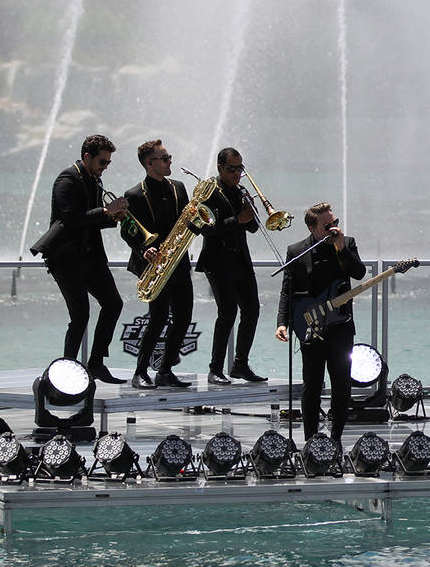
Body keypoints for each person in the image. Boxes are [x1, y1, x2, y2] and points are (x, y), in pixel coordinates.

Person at [33, 134, 128, 384]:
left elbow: (94, 220)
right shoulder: (67, 179)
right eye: (102, 162)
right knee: (81, 315)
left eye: (108, 162)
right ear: (87, 157)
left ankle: (96, 363)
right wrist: (106, 210)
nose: (105, 167)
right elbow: (71, 218)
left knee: (114, 304)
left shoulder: (95, 181)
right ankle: (66, 371)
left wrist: (113, 217)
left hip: (91, 257)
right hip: (65, 258)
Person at [276, 202, 366, 443]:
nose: (333, 228)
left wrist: (341, 248)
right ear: (312, 228)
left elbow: (359, 273)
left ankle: (336, 438)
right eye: (327, 226)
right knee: (312, 385)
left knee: (341, 384)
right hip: (310, 326)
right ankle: (311, 440)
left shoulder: (346, 244)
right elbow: (287, 290)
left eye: (335, 223)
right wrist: (282, 322)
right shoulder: (296, 251)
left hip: (340, 326)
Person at [121, 140, 196, 389]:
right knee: (158, 317)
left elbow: (186, 222)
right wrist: (144, 249)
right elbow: (127, 230)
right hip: (153, 264)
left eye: (169, 157)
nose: (169, 161)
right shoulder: (134, 194)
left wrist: (198, 221)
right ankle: (140, 372)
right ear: (149, 163)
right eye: (165, 158)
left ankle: (165, 370)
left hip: (178, 260)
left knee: (184, 317)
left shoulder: (178, 187)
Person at [196, 148, 265, 385]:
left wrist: (251, 210)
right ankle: (215, 368)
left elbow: (253, 228)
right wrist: (237, 219)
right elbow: (205, 228)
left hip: (240, 259)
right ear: (220, 168)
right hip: (217, 261)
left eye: (240, 168)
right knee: (227, 312)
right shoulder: (208, 192)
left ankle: (240, 364)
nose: (237, 173)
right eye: (231, 169)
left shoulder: (240, 191)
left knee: (252, 309)